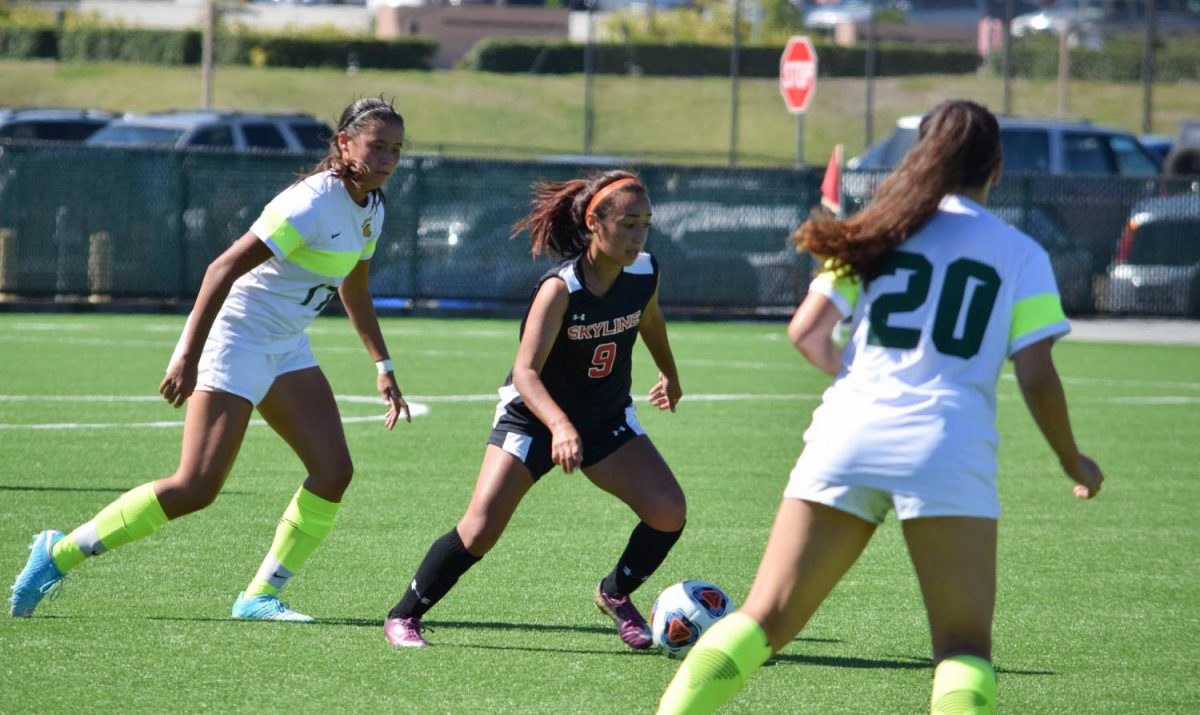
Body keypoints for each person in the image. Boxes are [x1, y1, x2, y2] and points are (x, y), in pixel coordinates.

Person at [657, 100, 1105, 714]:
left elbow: (807, 333)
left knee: (764, 618)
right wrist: (1070, 459)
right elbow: (1036, 374)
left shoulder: (879, 228)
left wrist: (869, 383)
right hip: (948, 444)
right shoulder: (1020, 253)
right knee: (962, 648)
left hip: (849, 431)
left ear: (919, 157)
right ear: (996, 169)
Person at [9, 97, 411, 622]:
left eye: (396, 150)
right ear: (344, 143)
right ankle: (57, 554)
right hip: (238, 338)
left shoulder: (372, 208)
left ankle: (258, 597)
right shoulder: (310, 204)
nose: (386, 158)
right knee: (196, 486)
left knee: (333, 470)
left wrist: (382, 365)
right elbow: (221, 269)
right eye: (376, 145)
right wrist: (188, 356)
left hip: (285, 345)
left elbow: (353, 285)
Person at [383, 170, 686, 649]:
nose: (638, 235)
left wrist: (669, 373)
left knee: (669, 512)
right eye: (628, 223)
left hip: (604, 418)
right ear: (594, 222)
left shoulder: (645, 270)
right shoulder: (560, 288)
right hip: (532, 419)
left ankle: (615, 592)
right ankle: (404, 615)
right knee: (480, 530)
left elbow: (650, 318)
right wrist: (560, 424)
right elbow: (526, 372)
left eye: (645, 223)